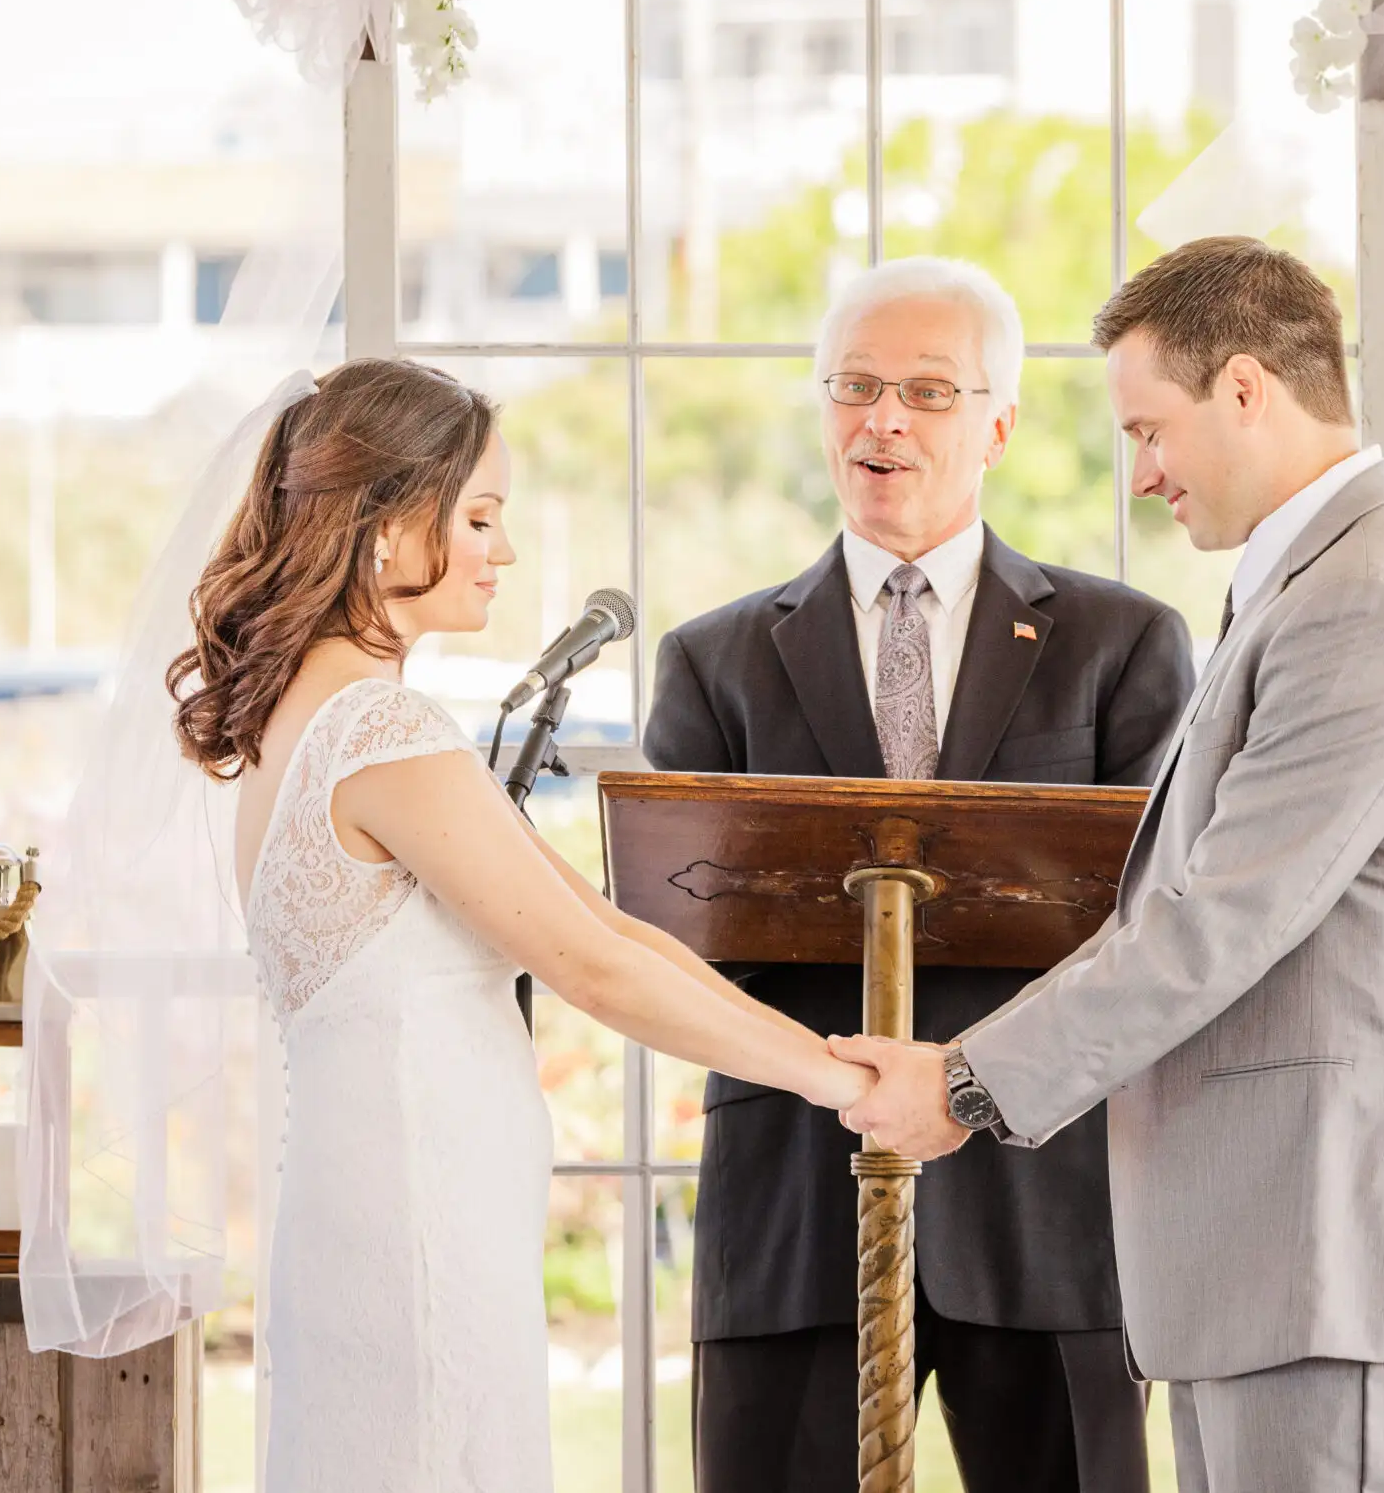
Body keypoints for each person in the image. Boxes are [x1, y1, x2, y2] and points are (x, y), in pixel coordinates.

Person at [835, 237, 1384, 1493]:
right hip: (1270, 1267)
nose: (1142, 473)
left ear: (1247, 390)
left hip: (1337, 1263)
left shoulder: (1364, 600)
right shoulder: (1310, 584)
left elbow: (1218, 922)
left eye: (1149, 429)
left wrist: (965, 1085)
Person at [169, 359, 873, 1493]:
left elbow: (601, 925)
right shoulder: (379, 730)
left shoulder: (310, 716)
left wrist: (822, 1059)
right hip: (415, 1223)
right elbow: (595, 963)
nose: (504, 550)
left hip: (376, 1203)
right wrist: (840, 1082)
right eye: (481, 516)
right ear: (387, 531)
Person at [647, 257, 1192, 1493]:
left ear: (998, 423)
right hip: (793, 1200)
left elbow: (1148, 922)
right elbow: (679, 942)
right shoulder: (712, 663)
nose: (882, 418)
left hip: (1042, 1208)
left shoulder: (1121, 647)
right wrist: (846, 1070)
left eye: (929, 392)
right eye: (855, 386)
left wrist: (964, 1078)